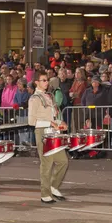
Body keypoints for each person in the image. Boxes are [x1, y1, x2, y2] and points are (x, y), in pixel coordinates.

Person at [29, 72, 69, 204]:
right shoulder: (34, 98)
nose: (46, 83)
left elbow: (52, 117)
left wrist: (59, 123)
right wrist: (50, 123)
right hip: (42, 132)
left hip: (53, 132)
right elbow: (31, 121)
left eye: (47, 80)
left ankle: (53, 186)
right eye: (43, 80)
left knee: (63, 161)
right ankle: (45, 193)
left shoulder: (48, 97)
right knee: (46, 164)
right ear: (37, 82)